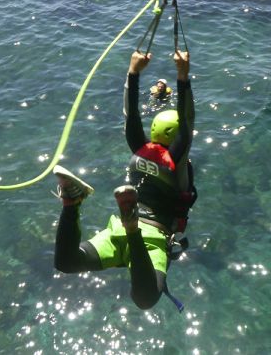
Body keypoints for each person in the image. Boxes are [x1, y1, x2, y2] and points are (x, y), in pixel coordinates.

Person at [53, 50, 196, 310]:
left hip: (116, 230)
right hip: (151, 240)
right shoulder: (177, 163)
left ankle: (72, 203)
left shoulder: (139, 148)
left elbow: (131, 116)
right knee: (145, 299)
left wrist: (133, 72)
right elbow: (187, 121)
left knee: (67, 262)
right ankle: (133, 230)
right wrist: (183, 76)